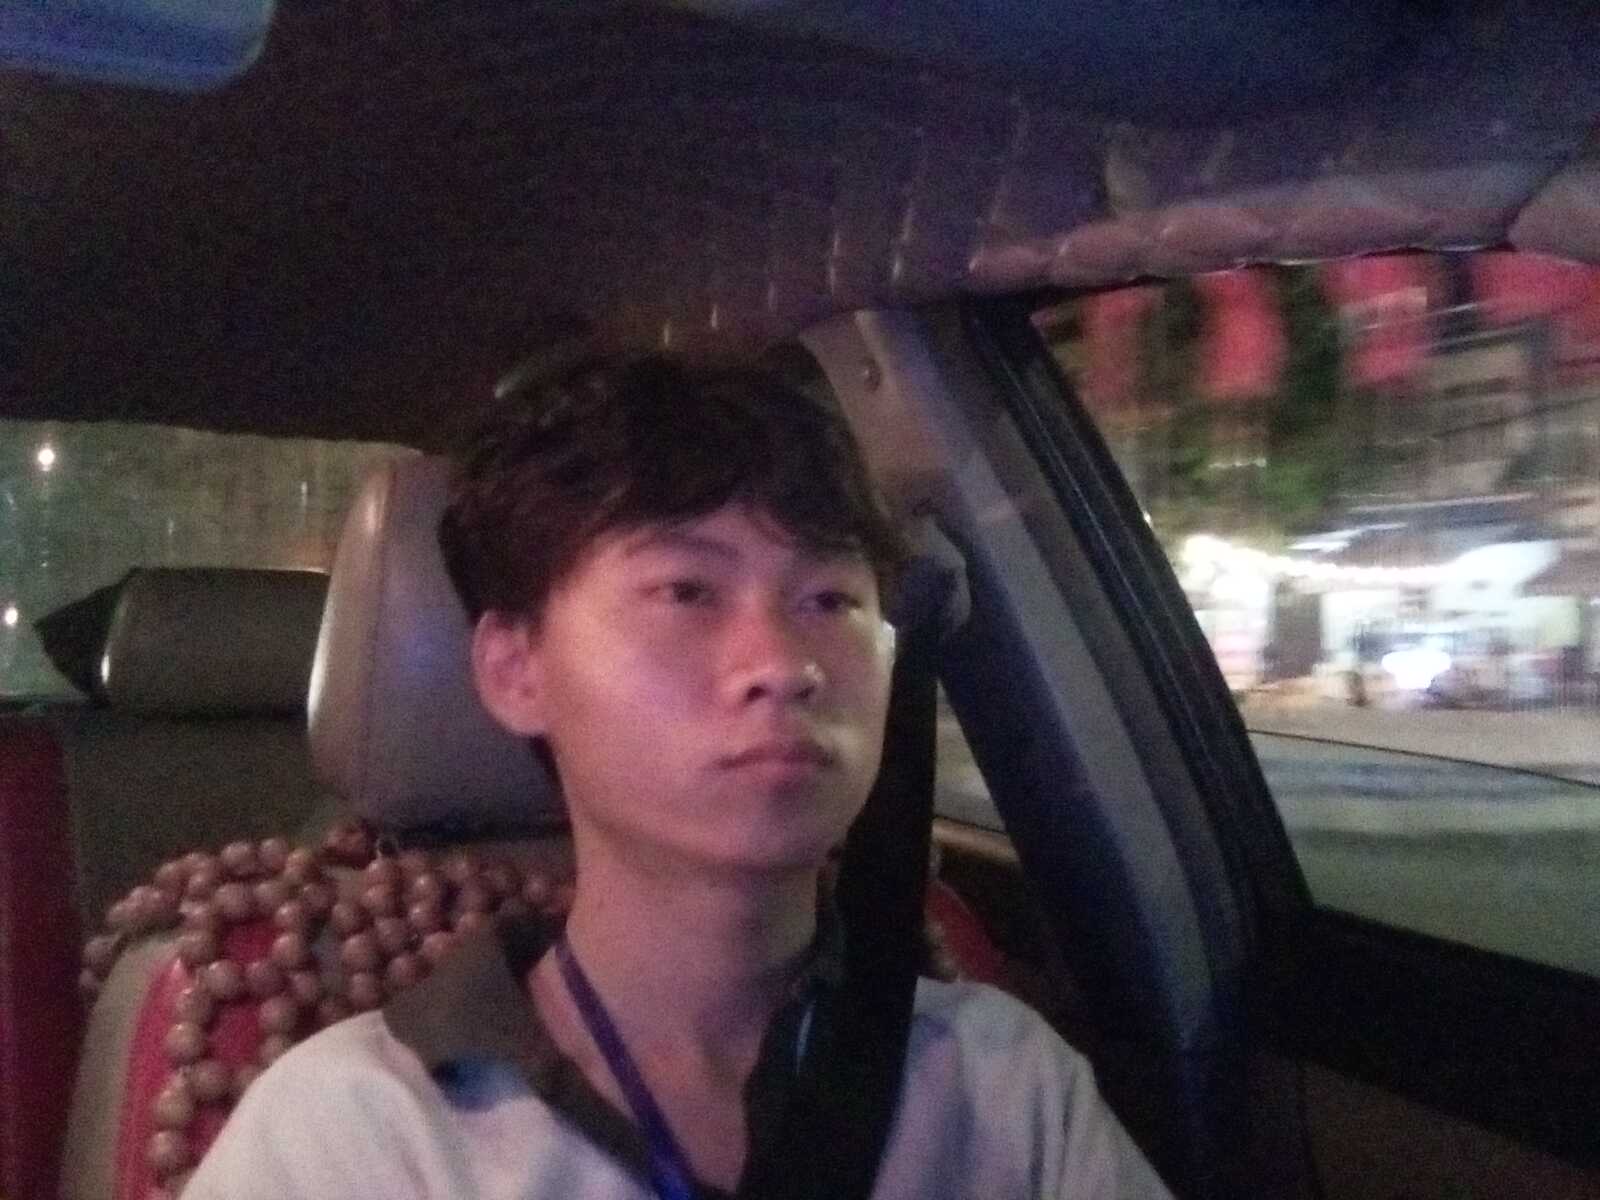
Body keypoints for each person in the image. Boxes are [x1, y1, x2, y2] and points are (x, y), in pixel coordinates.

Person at [183, 355, 1172, 1199]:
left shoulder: (1004, 1087)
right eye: (687, 590)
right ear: (516, 670)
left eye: (830, 598)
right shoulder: (354, 1135)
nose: (783, 663)